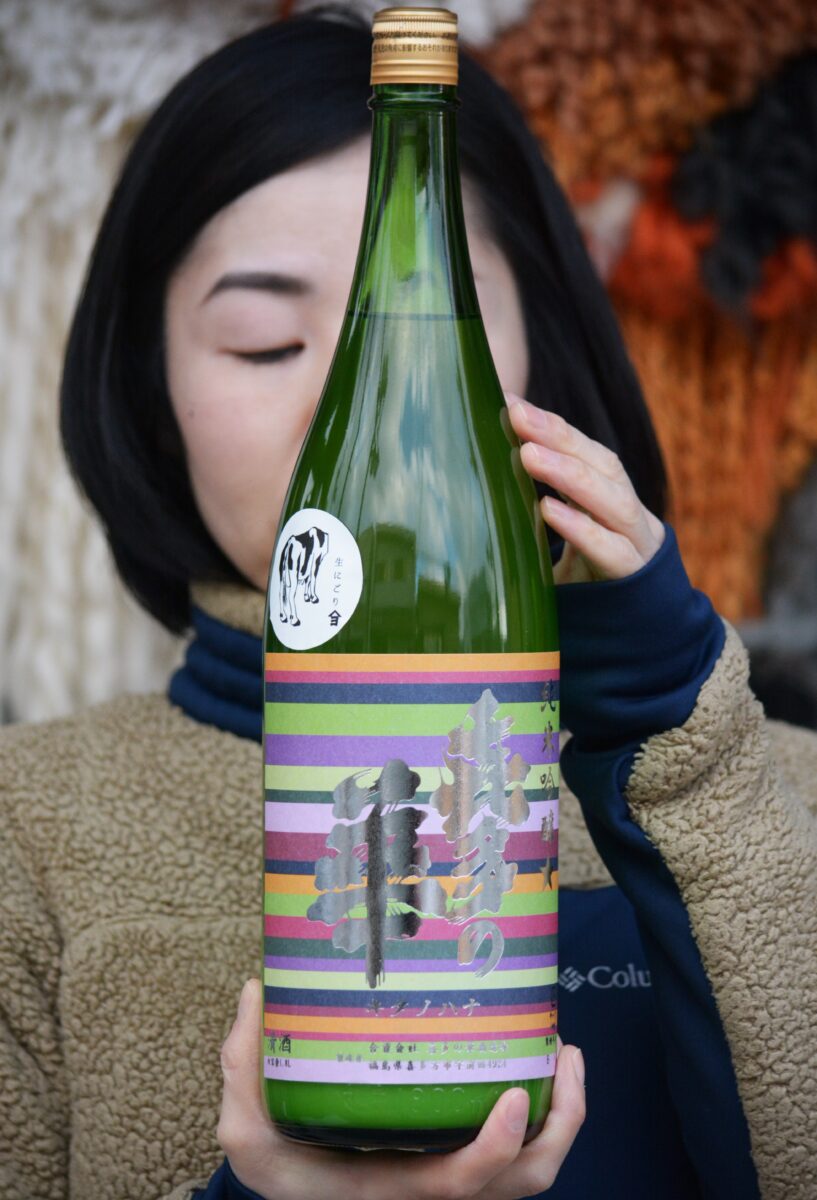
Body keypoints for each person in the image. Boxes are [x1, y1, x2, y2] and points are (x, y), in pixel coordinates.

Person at [1, 10, 814, 1200]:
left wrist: (672, 740)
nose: (369, 402)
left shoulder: (779, 790)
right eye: (265, 341)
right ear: (146, 391)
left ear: (540, 354)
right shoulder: (27, 831)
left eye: (433, 335)